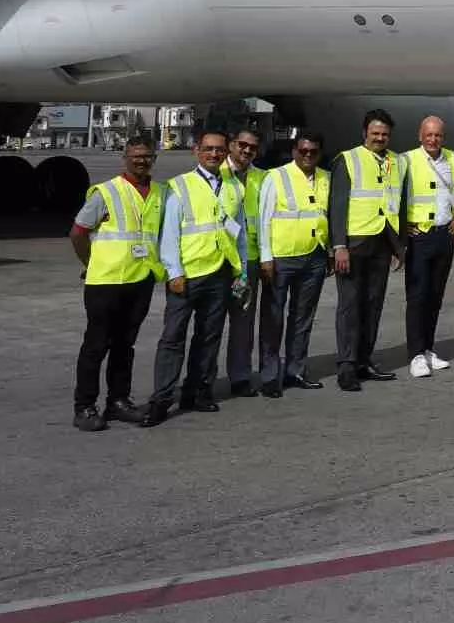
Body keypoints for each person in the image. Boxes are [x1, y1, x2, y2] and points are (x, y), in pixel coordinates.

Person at [141, 130, 248, 426]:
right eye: (208, 149)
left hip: (220, 272)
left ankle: (198, 391)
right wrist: (174, 271)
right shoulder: (179, 186)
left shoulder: (233, 187)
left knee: (209, 336)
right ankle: (162, 399)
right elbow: (169, 234)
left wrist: (242, 271)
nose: (214, 154)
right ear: (197, 151)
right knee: (173, 338)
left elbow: (238, 233)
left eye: (219, 150)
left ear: (226, 152)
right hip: (187, 275)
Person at [68, 137, 164, 431]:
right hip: (106, 281)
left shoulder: (159, 192)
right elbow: (78, 233)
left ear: (153, 159)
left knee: (125, 345)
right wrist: (91, 263)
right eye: (135, 156)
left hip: (140, 278)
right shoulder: (106, 192)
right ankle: (84, 407)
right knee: (96, 346)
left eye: (146, 156)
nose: (141, 161)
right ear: (125, 158)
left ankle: (118, 402)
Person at [329, 109, 403, 392]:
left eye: (384, 134)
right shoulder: (347, 160)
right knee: (350, 306)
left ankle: (364, 360)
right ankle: (346, 366)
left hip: (383, 242)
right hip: (354, 243)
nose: (380, 138)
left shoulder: (397, 161)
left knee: (373, 304)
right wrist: (339, 246)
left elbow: (398, 200)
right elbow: (337, 206)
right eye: (375, 134)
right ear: (364, 134)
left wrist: (399, 246)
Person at [257, 131, 331, 397]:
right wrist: (266, 256)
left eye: (313, 151)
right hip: (281, 257)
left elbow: (326, 216)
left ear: (320, 153)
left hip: (314, 256)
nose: (308, 155)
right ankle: (269, 375)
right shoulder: (275, 177)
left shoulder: (325, 178)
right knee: (273, 318)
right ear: (294, 151)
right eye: (303, 151)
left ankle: (295, 370)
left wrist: (330, 251)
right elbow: (264, 218)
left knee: (302, 318)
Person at [403, 115, 454, 380]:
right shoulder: (405, 160)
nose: (433, 140)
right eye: (428, 135)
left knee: (435, 296)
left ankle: (428, 348)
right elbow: (393, 194)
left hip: (444, 235)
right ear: (420, 136)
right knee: (417, 297)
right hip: (419, 237)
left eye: (438, 135)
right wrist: (402, 224)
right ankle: (415, 354)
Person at [222, 127, 267, 397]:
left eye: (252, 147)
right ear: (231, 145)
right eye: (242, 145)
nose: (246, 150)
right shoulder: (216, 173)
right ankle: (201, 380)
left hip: (249, 260)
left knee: (243, 322)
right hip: (217, 261)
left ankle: (239, 376)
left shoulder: (263, 177)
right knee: (211, 324)